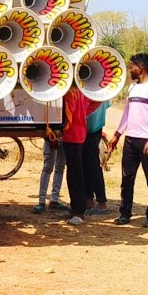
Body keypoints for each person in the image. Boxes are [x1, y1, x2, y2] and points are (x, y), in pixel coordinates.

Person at [110, 53, 148, 227]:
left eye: (132, 66)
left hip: (147, 141)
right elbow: (127, 114)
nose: (130, 69)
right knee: (127, 179)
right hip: (130, 140)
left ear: (140, 68)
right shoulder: (132, 88)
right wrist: (118, 134)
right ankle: (125, 213)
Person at [60, 85, 99, 226]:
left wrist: (81, 114)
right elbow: (97, 100)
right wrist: (84, 113)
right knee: (72, 173)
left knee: (75, 174)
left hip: (73, 134)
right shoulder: (82, 90)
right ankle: (75, 208)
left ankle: (79, 212)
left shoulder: (73, 91)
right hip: (73, 134)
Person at [84, 99, 110, 215]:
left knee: (93, 165)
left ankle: (101, 202)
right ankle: (89, 199)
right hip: (89, 126)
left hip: (92, 127)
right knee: (87, 164)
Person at [33, 133, 67, 214]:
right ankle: (47, 200)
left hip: (59, 135)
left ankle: (47, 201)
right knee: (54, 168)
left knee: (53, 168)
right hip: (52, 134)